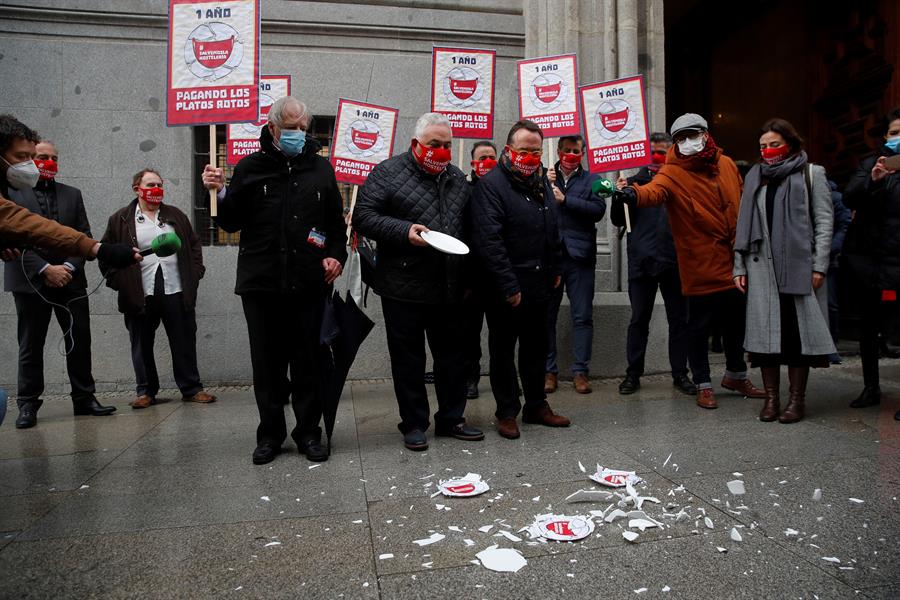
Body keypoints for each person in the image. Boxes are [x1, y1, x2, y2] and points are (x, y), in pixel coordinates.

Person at [203, 96, 347, 465]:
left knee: (308, 362)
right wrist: (217, 191)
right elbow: (230, 221)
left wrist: (336, 255)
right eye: (292, 128)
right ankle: (270, 435)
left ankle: (308, 433)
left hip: (308, 283)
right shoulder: (251, 167)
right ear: (272, 128)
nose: (299, 134)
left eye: (303, 128)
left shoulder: (320, 170)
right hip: (261, 284)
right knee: (267, 364)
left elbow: (334, 225)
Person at [614, 113, 765, 409]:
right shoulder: (671, 171)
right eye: (680, 138)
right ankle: (703, 383)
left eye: (691, 135)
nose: (686, 142)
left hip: (733, 259)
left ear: (706, 134)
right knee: (697, 325)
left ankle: (736, 374)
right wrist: (630, 194)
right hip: (696, 261)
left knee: (735, 322)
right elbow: (652, 192)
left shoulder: (726, 164)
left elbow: (742, 201)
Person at [354, 112, 483, 451]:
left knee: (453, 358)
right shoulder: (387, 172)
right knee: (408, 360)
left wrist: (470, 278)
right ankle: (413, 423)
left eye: (446, 146)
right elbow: (364, 216)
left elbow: (469, 229)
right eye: (434, 145)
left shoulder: (456, 178)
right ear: (416, 144)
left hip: (449, 287)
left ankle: (452, 418)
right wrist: (403, 231)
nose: (441, 151)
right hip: (403, 286)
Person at [4, 140, 116, 429]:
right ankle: (27, 404)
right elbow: (13, 238)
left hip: (71, 279)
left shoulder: (72, 194)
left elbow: (84, 234)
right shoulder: (10, 193)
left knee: (79, 340)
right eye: (42, 157)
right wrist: (44, 269)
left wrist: (67, 266)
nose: (48, 162)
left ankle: (84, 398)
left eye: (54, 158)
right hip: (31, 280)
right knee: (31, 343)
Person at [470, 119, 570, 439]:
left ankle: (537, 405)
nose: (530, 156)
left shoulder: (539, 179)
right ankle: (507, 411)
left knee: (536, 348)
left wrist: (555, 269)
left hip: (541, 283)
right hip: (507, 287)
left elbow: (551, 228)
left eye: (536, 151)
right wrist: (508, 285)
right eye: (525, 150)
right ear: (510, 149)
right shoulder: (492, 185)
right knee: (503, 351)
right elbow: (490, 241)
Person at [733, 118, 835, 423]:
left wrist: (819, 266)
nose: (768, 150)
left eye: (774, 144)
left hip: (799, 269)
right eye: (763, 146)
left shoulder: (811, 174)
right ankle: (772, 400)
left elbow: (824, 223)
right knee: (766, 341)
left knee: (795, 337)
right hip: (761, 270)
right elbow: (743, 225)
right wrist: (739, 266)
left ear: (790, 143)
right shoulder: (756, 178)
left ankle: (796, 401)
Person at [101, 168, 215, 412]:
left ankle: (191, 388)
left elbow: (194, 245)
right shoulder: (120, 219)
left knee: (183, 339)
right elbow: (106, 254)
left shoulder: (176, 215)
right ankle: (145, 391)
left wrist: (196, 273)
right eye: (151, 185)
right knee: (141, 343)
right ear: (137, 189)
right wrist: (118, 281)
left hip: (176, 288)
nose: (157, 190)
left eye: (160, 185)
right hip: (139, 290)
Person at [612, 132, 695, 397]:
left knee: (679, 320)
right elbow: (618, 220)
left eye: (663, 151)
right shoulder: (633, 183)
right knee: (639, 320)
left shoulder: (683, 182)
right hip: (642, 261)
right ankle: (633, 374)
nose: (658, 156)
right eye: (653, 151)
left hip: (674, 261)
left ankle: (680, 373)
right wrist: (619, 194)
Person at [0, 115, 139, 269]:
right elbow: (23, 222)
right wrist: (99, 249)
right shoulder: (13, 193)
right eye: (21, 156)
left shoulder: (71, 194)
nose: (28, 164)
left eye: (30, 157)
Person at [841, 107, 900, 413]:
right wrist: (874, 180)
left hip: (897, 260)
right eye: (894, 133)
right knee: (868, 326)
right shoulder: (871, 164)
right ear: (885, 137)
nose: (898, 138)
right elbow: (850, 196)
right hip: (868, 261)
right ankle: (871, 387)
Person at [544, 135, 606, 395]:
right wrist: (544, 189)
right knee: (547, 317)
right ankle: (549, 371)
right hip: (551, 257)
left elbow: (598, 210)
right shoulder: (544, 177)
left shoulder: (593, 179)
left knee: (582, 317)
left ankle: (580, 372)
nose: (571, 154)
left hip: (580, 257)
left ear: (582, 153)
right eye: (567, 150)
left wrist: (565, 200)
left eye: (576, 151)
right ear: (558, 152)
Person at [461, 140, 499, 399]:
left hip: (498, 274)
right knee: (469, 334)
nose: (487, 162)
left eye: (492, 157)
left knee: (502, 335)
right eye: (482, 157)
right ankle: (470, 378)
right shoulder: (462, 190)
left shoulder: (505, 188)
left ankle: (503, 379)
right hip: (471, 275)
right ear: (473, 162)